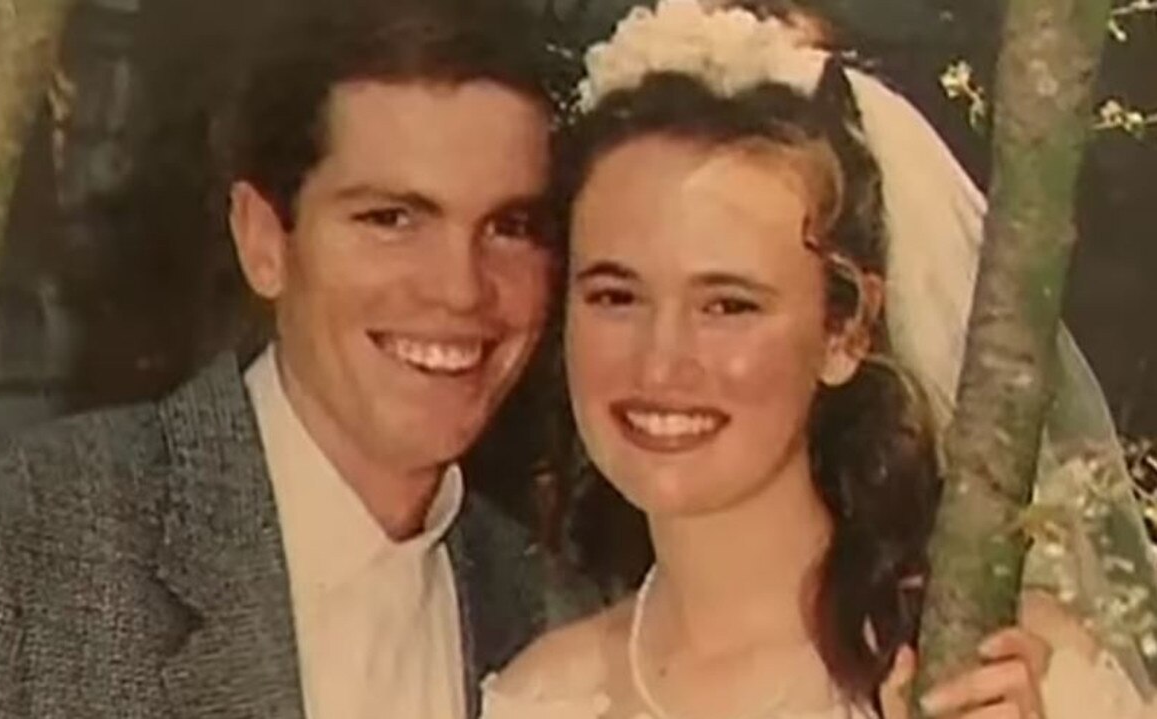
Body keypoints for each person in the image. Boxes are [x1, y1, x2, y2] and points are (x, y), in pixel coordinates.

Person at [481, 2, 1157, 717]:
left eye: (728, 305)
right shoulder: (538, 693)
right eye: (617, 296)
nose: (660, 362)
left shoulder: (989, 668)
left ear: (845, 331)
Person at [0, 0, 565, 716]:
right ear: (263, 241)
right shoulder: (47, 528)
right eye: (391, 218)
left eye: (509, 226)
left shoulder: (545, 609)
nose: (460, 288)